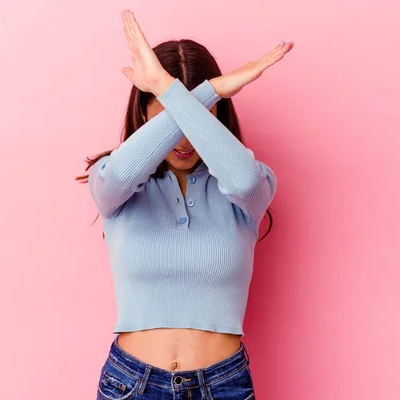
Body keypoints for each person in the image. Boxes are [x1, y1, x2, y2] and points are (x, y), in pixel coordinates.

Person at [77, 9, 292, 400]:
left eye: (197, 119)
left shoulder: (248, 184)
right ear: (143, 111)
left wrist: (168, 88)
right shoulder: (114, 183)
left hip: (223, 385)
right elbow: (121, 176)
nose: (184, 139)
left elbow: (243, 180)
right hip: (131, 384)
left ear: (217, 119)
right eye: (167, 115)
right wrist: (203, 92)